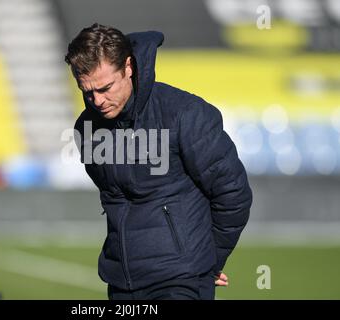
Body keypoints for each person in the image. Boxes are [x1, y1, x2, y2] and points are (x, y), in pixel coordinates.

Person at [65, 23, 253, 300]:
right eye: (87, 92)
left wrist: (210, 260)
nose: (97, 101)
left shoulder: (185, 113)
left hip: (181, 282)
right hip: (121, 282)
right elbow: (114, 200)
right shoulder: (86, 128)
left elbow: (233, 193)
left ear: (128, 67)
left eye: (105, 88)